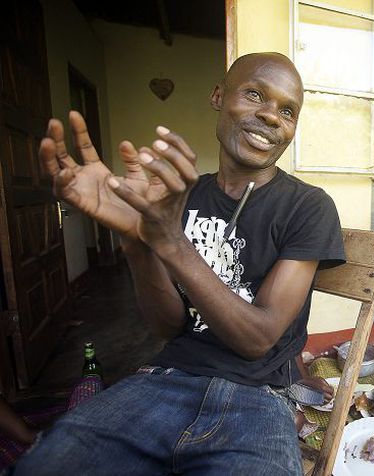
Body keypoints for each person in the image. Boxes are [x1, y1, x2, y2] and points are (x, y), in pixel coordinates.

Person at [13, 52, 345, 475]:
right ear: (218, 96)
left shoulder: (308, 207)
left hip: (259, 400)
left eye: (287, 110)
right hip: (162, 381)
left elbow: (258, 338)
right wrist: (136, 242)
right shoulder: (180, 197)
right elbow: (167, 325)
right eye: (254, 94)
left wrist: (169, 241)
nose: (272, 117)